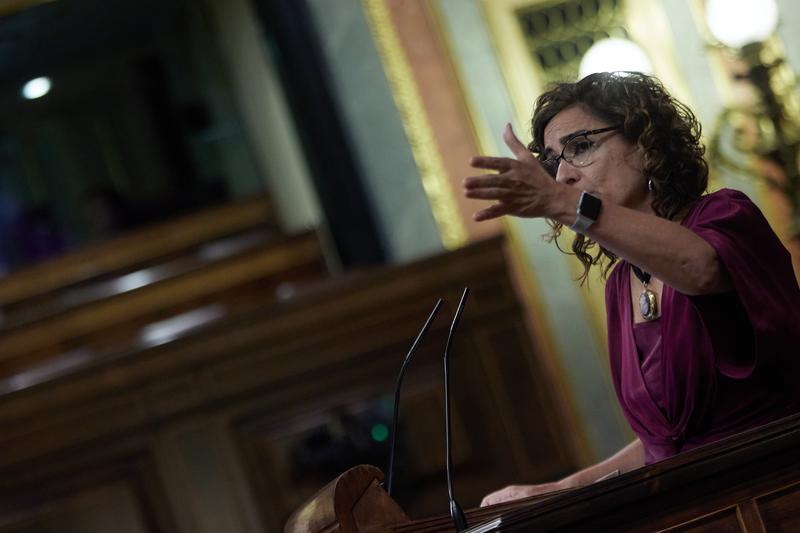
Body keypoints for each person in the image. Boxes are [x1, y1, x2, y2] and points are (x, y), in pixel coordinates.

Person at [462, 72, 800, 506]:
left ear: (644, 141)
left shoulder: (726, 216)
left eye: (580, 147)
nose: (562, 175)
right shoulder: (622, 282)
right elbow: (665, 445)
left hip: (776, 493)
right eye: (552, 161)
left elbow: (700, 269)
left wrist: (565, 205)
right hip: (695, 509)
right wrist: (561, 489)